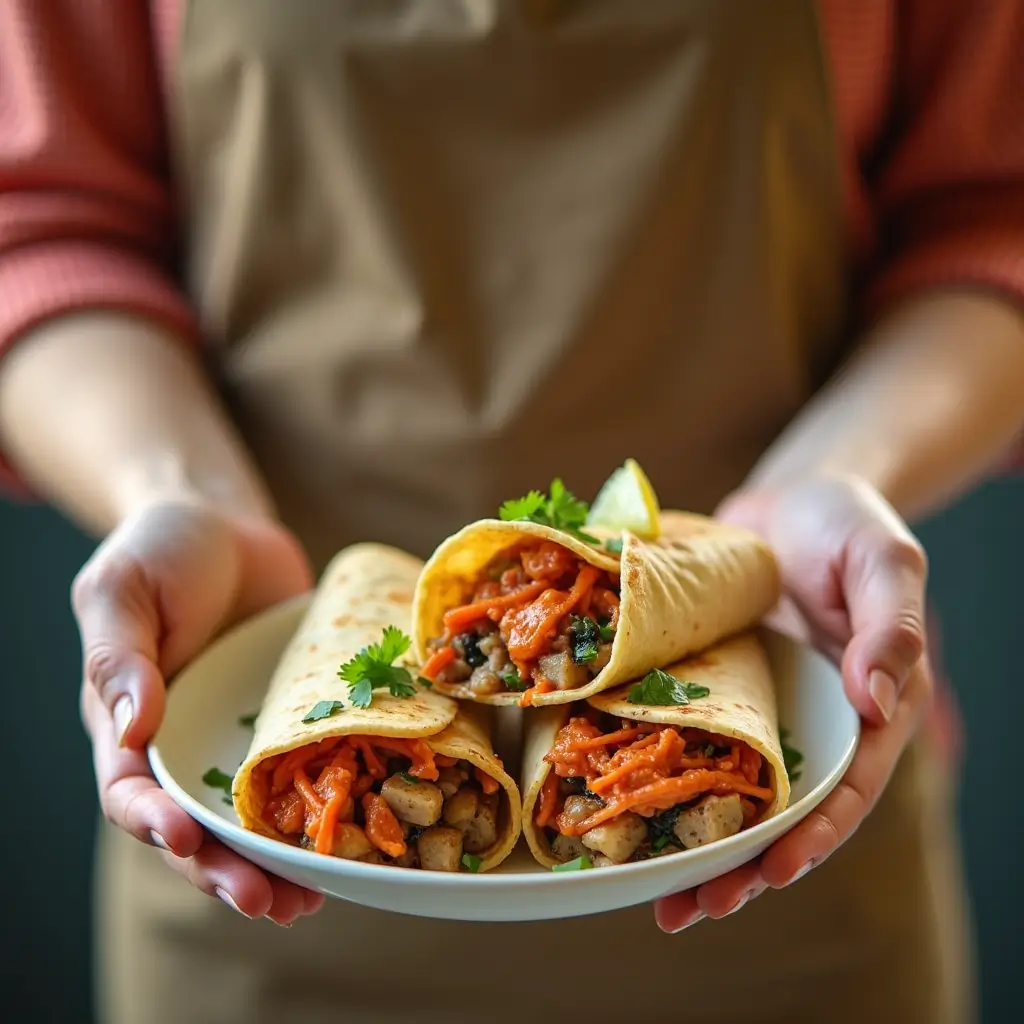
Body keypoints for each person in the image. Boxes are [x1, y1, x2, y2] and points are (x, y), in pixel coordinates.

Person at [1, 2, 1022, 1021]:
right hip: (249, 850)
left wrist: (837, 476)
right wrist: (178, 491)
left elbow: (991, 213)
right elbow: (44, 221)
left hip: (794, 825)